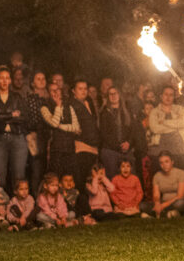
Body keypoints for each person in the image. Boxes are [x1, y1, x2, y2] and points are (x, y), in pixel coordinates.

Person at [0, 66, 28, 192]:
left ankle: (17, 208)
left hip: (17, 138)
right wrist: (12, 115)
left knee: (19, 177)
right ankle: (1, 207)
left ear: (10, 80)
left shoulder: (17, 97)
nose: (5, 81)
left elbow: (24, 118)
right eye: (1, 78)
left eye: (7, 78)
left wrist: (0, 115)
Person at [147, 86, 184, 177]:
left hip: (181, 150)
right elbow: (155, 128)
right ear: (161, 96)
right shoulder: (154, 112)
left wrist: (164, 122)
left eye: (171, 95)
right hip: (160, 151)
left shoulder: (180, 109)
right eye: (166, 94)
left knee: (183, 178)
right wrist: (176, 126)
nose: (168, 97)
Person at [68, 79, 100, 211]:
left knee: (86, 180)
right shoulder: (72, 105)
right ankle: (82, 211)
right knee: (80, 181)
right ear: (73, 91)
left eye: (85, 88)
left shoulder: (88, 103)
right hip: (81, 147)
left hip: (92, 148)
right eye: (80, 88)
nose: (83, 91)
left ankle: (87, 210)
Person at [41, 82, 79, 184]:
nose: (55, 92)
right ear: (48, 93)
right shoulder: (44, 107)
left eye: (57, 90)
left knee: (70, 177)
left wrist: (61, 126)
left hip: (69, 148)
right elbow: (54, 123)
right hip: (56, 149)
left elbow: (76, 127)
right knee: (56, 178)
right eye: (52, 90)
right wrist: (58, 107)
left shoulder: (68, 106)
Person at [100, 86, 139, 177]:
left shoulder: (127, 111)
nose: (113, 96)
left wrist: (129, 143)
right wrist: (118, 146)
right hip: (110, 151)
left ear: (120, 95)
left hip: (127, 149)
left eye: (115, 93)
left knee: (130, 179)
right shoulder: (104, 113)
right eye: (110, 94)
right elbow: (104, 134)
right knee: (113, 179)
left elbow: (133, 130)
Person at [24, 72, 49, 198]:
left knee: (47, 170)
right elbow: (31, 120)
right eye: (38, 79)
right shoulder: (31, 99)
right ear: (33, 83)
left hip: (49, 137)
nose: (41, 81)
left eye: (43, 78)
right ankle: (35, 198)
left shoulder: (49, 98)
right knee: (36, 169)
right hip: (36, 137)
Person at [142, 152, 184, 218]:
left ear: (172, 162)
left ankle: (159, 214)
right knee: (143, 206)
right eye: (161, 163)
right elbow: (156, 195)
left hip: (177, 202)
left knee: (181, 203)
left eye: (167, 162)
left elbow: (180, 196)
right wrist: (157, 204)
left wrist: (163, 206)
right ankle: (169, 214)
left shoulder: (181, 173)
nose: (164, 165)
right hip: (163, 202)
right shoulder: (157, 176)